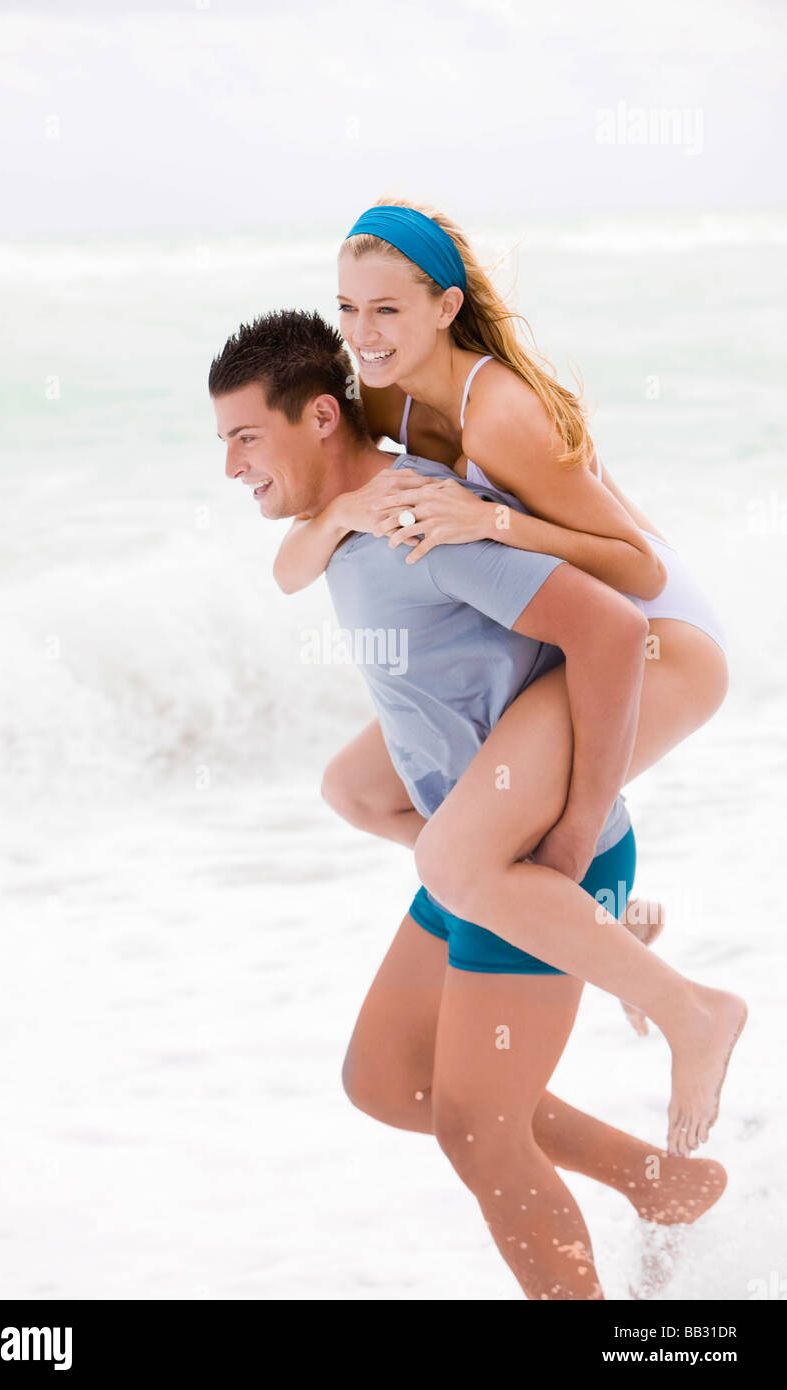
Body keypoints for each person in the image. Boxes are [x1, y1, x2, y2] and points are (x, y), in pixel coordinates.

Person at [209, 309, 735, 1300]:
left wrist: (574, 850)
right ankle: (653, 1177)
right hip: (482, 855)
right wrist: (326, 520)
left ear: (319, 416)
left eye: (245, 437)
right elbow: (287, 569)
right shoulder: (346, 526)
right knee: (383, 1077)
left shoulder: (419, 521)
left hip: (531, 854)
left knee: (477, 1131)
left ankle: (664, 995)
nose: (232, 466)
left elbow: (613, 630)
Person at [268, 201, 745, 1156]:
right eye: (348, 309)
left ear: (446, 307)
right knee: (355, 790)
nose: (363, 334)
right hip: (575, 637)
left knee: (461, 859)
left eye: (388, 311)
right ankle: (584, 920)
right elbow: (290, 568)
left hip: (658, 643)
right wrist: (343, 514)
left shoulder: (504, 412)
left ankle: (696, 1013)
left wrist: (492, 527)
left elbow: (637, 570)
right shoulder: (381, 399)